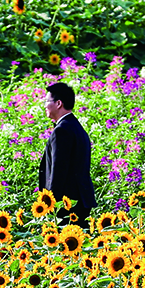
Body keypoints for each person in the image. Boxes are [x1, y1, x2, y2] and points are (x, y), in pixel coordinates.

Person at [38, 82, 97, 224]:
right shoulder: (76, 127)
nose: (45, 105)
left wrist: (51, 203)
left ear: (58, 103)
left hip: (67, 202)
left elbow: (58, 170)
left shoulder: (62, 131)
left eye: (47, 101)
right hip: (81, 198)